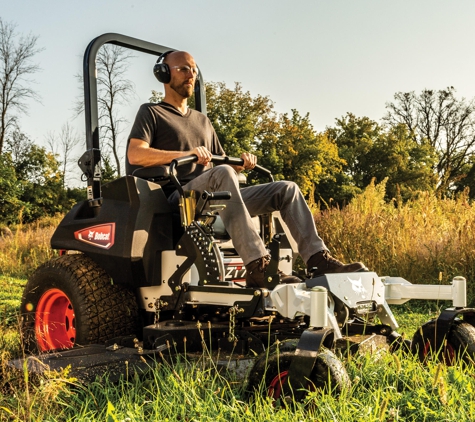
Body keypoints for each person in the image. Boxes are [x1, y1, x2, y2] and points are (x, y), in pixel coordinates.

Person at [126, 51, 366, 288]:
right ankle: (258, 266)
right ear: (164, 73)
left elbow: (219, 164)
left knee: (286, 189)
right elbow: (135, 154)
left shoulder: (202, 121)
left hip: (216, 196)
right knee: (223, 174)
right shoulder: (152, 113)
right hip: (181, 200)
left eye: (194, 69)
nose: (191, 75)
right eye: (183, 69)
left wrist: (239, 163)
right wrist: (187, 155)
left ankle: (317, 261)